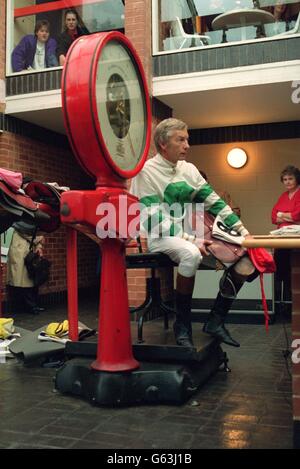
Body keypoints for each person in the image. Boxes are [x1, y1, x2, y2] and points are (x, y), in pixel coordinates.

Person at [131, 118, 258, 349]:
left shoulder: (188, 169)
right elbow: (152, 217)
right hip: (161, 237)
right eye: (180, 140)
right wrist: (190, 239)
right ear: (162, 144)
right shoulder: (145, 172)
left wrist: (243, 231)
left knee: (248, 258)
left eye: (187, 139)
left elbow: (214, 202)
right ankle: (183, 326)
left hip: (191, 235)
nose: (187, 145)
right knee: (191, 254)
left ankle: (216, 321)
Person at [6, 177, 45, 315]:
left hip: (28, 247)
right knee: (24, 280)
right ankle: (29, 306)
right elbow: (23, 227)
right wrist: (39, 239)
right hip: (21, 246)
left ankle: (30, 306)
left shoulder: (30, 203)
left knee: (30, 278)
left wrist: (39, 243)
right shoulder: (19, 203)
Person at [271, 165, 300, 310]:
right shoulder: (283, 196)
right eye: (285, 179)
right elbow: (273, 216)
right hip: (282, 237)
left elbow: (297, 215)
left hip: (296, 238)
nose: (287, 182)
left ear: (297, 179)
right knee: (280, 269)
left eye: (290, 178)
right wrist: (288, 216)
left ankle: (293, 306)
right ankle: (282, 306)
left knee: (293, 272)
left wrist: (282, 215)